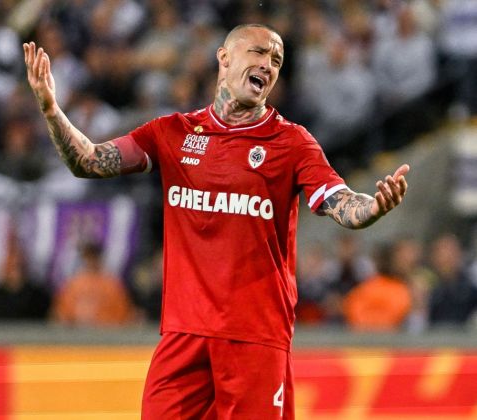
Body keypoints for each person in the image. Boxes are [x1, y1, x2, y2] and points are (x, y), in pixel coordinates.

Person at [24, 23, 409, 420]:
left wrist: (371, 208)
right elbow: (89, 161)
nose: (269, 64)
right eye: (259, 52)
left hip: (255, 338)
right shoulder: (172, 133)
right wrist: (52, 110)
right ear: (224, 58)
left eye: (277, 60)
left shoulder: (292, 143)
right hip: (183, 335)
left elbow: (340, 202)